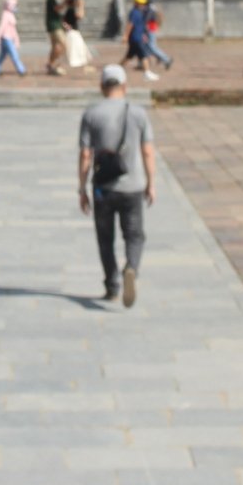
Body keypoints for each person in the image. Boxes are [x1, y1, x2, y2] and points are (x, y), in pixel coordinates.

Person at [77, 63, 155, 307]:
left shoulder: (91, 114)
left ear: (102, 86)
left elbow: (86, 155)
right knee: (134, 235)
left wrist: (82, 188)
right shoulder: (139, 113)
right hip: (132, 186)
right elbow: (148, 152)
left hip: (102, 188)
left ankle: (112, 286)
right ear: (124, 86)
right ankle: (131, 267)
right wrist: (151, 183)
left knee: (105, 238)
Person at [124, 0, 171, 75]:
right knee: (143, 49)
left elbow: (147, 20)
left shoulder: (150, 8)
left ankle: (165, 59)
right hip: (145, 31)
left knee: (151, 47)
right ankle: (143, 65)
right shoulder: (146, 8)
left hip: (148, 30)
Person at [0, 0, 27, 78]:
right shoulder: (6, 14)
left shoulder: (11, 14)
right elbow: (2, 26)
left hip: (10, 38)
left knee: (2, 56)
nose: (15, 7)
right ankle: (21, 69)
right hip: (6, 38)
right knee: (14, 55)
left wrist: (17, 40)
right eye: (14, 5)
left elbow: (13, 30)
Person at [60, 0, 89, 72]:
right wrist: (81, 5)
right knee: (74, 51)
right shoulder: (71, 10)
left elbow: (63, 21)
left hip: (72, 32)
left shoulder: (70, 9)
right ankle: (60, 66)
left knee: (80, 49)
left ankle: (85, 66)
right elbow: (80, 16)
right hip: (72, 33)